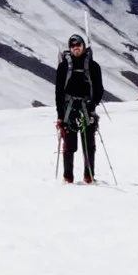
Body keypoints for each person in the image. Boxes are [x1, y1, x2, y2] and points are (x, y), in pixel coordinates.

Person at [52, 34, 104, 184]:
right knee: (69, 145)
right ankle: (68, 177)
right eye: (73, 45)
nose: (76, 48)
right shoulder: (63, 67)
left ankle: (89, 176)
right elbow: (59, 92)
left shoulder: (93, 66)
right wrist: (60, 115)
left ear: (83, 46)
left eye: (78, 45)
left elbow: (99, 89)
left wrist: (93, 104)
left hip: (87, 108)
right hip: (69, 109)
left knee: (89, 145)